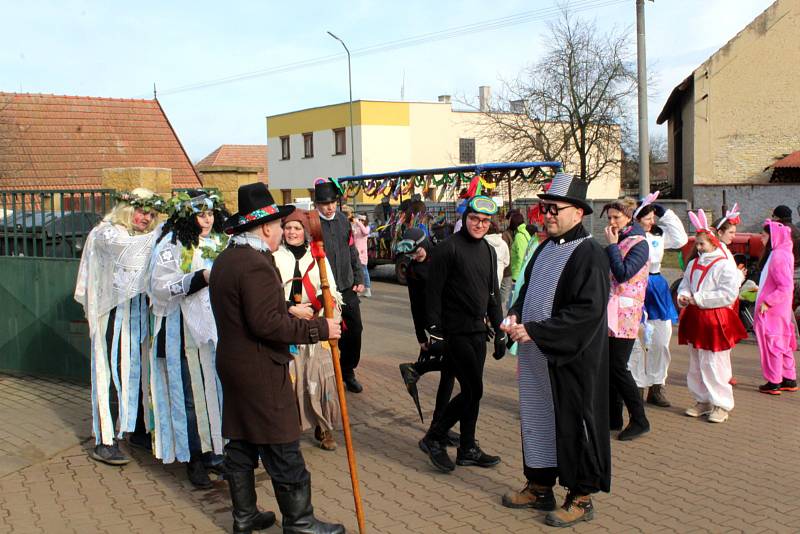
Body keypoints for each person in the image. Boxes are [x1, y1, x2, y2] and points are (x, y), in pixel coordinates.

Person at [209, 183, 344, 534]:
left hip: (233, 364)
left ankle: (244, 516)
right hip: (259, 368)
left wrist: (287, 310)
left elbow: (250, 309)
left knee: (240, 442)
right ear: (266, 227)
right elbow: (265, 323)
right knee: (282, 444)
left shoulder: (227, 258)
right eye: (279, 227)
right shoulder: (255, 263)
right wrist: (318, 329)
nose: (283, 233)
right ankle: (300, 522)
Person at [500, 173, 610, 528]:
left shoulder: (589, 253)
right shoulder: (546, 247)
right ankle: (540, 485)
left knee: (573, 424)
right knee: (538, 420)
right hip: (536, 354)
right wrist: (515, 316)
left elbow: (586, 312)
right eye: (543, 208)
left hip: (569, 359)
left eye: (553, 209)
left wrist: (536, 330)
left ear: (578, 213)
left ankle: (581, 496)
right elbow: (528, 289)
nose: (545, 215)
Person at [74, 188, 162, 465]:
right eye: (141, 211)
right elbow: (129, 253)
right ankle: (105, 439)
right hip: (111, 314)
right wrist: (167, 233)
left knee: (138, 371)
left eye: (150, 214)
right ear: (126, 208)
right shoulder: (106, 233)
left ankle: (137, 428)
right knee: (110, 373)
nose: (145, 218)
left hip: (138, 314)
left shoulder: (141, 236)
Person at [419, 195, 506, 473]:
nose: (479, 225)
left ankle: (467, 447)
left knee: (473, 391)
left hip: (478, 332)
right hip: (453, 332)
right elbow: (430, 292)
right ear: (465, 218)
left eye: (484, 221)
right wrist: (434, 331)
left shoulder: (489, 251)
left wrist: (500, 329)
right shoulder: (448, 248)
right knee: (474, 389)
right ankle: (435, 436)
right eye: (474, 219)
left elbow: (493, 294)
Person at [147, 190, 228, 487]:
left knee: (215, 389)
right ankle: (194, 456)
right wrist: (200, 278)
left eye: (210, 213)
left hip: (214, 328)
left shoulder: (221, 241)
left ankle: (216, 452)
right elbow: (160, 285)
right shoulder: (172, 244)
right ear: (187, 216)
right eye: (200, 214)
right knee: (191, 395)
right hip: (181, 330)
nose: (206, 220)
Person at [274, 208, 343, 450]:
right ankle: (289, 429)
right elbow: (267, 297)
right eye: (288, 228)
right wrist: (292, 308)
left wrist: (322, 313)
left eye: (297, 228)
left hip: (316, 325)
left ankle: (322, 427)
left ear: (305, 232)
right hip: (287, 325)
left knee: (321, 377)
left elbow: (331, 292)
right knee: (292, 379)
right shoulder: (274, 257)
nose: (292, 232)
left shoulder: (317, 258)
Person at [677, 210, 747, 424]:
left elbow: (728, 294)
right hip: (696, 318)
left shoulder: (724, 264)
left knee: (715, 363)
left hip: (715, 319)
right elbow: (685, 284)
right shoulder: (693, 264)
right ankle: (702, 400)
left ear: (713, 242)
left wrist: (698, 298)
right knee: (697, 362)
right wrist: (684, 296)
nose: (698, 248)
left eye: (702, 244)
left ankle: (721, 404)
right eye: (697, 244)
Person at [396, 228, 457, 444]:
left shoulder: (441, 257)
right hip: (435, 326)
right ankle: (438, 428)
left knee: (450, 373)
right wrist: (420, 335)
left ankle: (438, 426)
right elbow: (415, 305)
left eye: (417, 252)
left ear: (425, 244)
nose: (415, 257)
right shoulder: (413, 270)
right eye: (411, 255)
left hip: (452, 320)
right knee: (453, 368)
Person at [629, 197, 688, 407]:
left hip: (657, 285)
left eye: (653, 216)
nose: (651, 220)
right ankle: (636, 385)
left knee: (661, 340)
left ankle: (657, 385)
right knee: (638, 340)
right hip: (636, 285)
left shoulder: (659, 235)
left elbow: (681, 239)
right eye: (647, 216)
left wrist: (667, 214)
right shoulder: (630, 237)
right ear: (637, 218)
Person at [602, 198, 651, 441]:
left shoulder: (639, 244)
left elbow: (623, 274)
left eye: (616, 218)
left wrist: (611, 246)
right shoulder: (621, 240)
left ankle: (640, 419)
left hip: (626, 314)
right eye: (609, 217)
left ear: (629, 218)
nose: (611, 222)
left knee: (618, 366)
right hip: (612, 312)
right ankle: (613, 416)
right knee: (609, 366)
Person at [315, 179, 365, 393]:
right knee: (328, 333)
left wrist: (359, 276)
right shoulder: (312, 224)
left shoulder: (344, 220)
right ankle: (329, 373)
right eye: (325, 203)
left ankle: (348, 371)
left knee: (355, 330)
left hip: (346, 286)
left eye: (333, 202)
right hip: (324, 289)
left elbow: (352, 250)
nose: (330, 207)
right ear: (317, 204)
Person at [754, 220, 798, 394]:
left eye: (764, 235)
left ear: (773, 237)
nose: (761, 238)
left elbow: (785, 286)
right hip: (781, 308)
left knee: (772, 342)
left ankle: (774, 381)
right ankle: (789, 378)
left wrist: (767, 301)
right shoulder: (784, 252)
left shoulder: (778, 255)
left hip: (772, 309)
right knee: (783, 342)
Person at [351, 213, 371, 298]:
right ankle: (357, 288)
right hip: (354, 252)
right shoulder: (356, 227)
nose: (361, 221)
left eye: (363, 220)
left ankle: (368, 289)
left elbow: (366, 232)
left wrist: (359, 223)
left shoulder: (366, 227)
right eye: (360, 220)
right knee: (354, 271)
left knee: (364, 271)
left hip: (362, 253)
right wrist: (353, 224)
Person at [485, 222, 510, 288]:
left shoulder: (482, 243)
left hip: (485, 273)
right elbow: (506, 261)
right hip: (499, 272)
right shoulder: (503, 243)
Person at [509, 210, 531, 286]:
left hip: (518, 275)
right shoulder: (525, 232)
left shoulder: (519, 236)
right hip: (522, 274)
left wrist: (517, 277)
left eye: (510, 220)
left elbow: (521, 257)